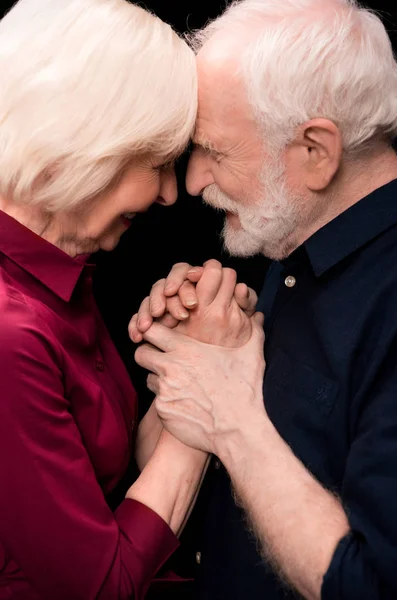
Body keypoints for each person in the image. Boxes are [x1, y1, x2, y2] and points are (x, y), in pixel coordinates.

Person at [130, 0, 397, 598]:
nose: (192, 182)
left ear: (315, 152)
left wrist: (230, 415)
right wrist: (197, 353)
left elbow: (371, 584)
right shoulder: (291, 250)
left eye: (215, 152)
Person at [0, 1, 257, 598]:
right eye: (159, 163)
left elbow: (118, 477)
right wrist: (209, 389)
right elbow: (103, 587)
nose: (171, 193)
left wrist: (185, 351)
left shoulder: (59, 276)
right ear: (87, 146)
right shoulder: (11, 332)